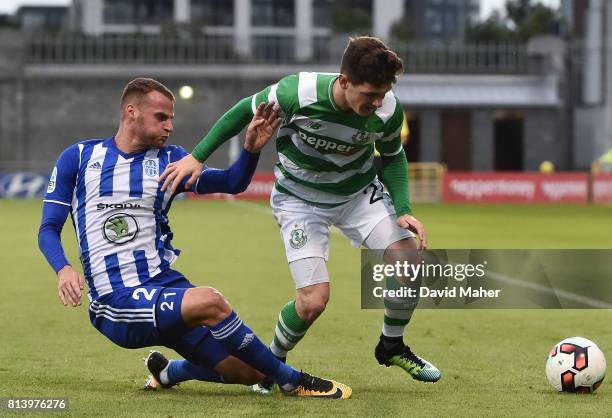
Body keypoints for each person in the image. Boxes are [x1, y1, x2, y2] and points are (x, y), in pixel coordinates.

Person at [37, 77, 351, 399]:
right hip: (116, 300)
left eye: (172, 118)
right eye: (161, 117)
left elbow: (232, 182)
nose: (169, 126)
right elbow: (48, 228)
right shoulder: (78, 158)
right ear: (131, 112)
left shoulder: (169, 161)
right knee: (211, 302)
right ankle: (292, 380)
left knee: (252, 371)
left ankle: (168, 371)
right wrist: (63, 268)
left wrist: (251, 149)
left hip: (164, 283)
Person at [159, 37, 442, 394]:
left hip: (357, 195)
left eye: (382, 94)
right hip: (299, 201)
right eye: (369, 94)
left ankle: (392, 345)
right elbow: (239, 112)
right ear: (344, 81)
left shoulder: (387, 109)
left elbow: (393, 155)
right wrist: (197, 157)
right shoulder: (298, 92)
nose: (376, 103)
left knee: (409, 261)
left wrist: (403, 210)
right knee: (312, 303)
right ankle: (272, 368)